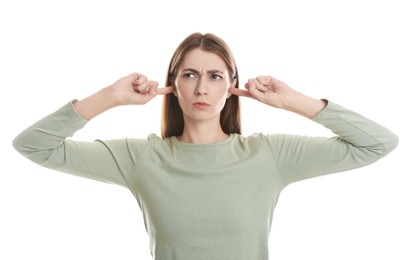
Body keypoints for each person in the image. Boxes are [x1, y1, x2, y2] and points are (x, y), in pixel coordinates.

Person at [13, 32, 399, 260]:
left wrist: (292, 100)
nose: (201, 88)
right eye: (190, 74)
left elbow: (377, 143)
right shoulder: (141, 159)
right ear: (174, 84)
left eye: (215, 76)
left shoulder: (268, 156)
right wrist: (110, 96)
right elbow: (34, 146)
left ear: (231, 87)